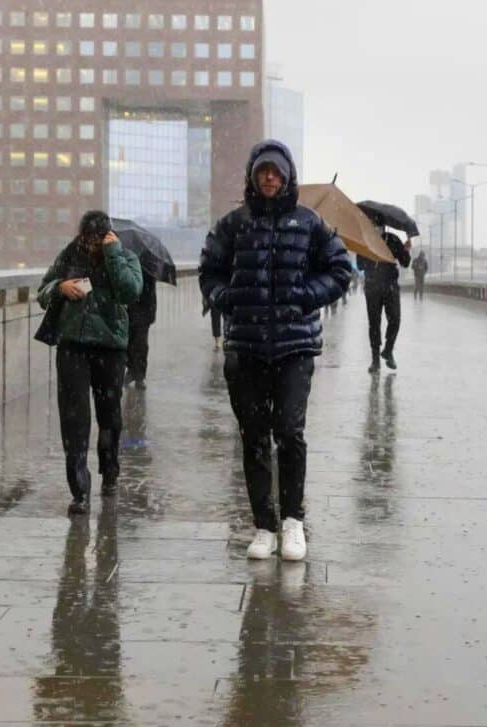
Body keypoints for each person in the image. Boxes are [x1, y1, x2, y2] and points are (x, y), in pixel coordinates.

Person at [199, 139, 352, 562]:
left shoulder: (310, 223)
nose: (270, 177)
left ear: (287, 177)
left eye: (277, 171)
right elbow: (209, 270)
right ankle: (264, 525)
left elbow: (341, 270)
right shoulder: (233, 225)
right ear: (253, 175)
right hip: (245, 346)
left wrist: (306, 296)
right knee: (253, 438)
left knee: (289, 433)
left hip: (294, 346)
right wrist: (226, 299)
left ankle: (293, 522)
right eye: (263, 170)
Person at [37, 210, 143, 514]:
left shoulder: (123, 256)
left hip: (110, 348)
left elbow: (130, 291)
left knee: (109, 417)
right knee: (74, 419)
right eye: (88, 239)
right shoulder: (69, 254)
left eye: (98, 239)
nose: (91, 244)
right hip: (72, 347)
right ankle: (79, 491)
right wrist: (60, 287)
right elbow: (42, 290)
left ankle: (110, 472)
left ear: (108, 235)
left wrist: (112, 254)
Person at [359, 229, 412, 372]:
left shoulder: (393, 239)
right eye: (373, 224)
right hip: (372, 287)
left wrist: (406, 250)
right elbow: (360, 265)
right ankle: (375, 360)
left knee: (395, 318)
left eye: (378, 224)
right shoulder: (365, 239)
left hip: (391, 286)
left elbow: (405, 263)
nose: (376, 227)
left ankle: (388, 350)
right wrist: (369, 253)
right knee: (374, 323)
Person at [125, 271, 157, 388]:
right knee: (129, 342)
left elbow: (151, 292)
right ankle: (131, 370)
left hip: (144, 310)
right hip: (129, 309)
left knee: (141, 344)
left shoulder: (149, 270)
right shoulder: (129, 263)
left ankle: (139, 376)